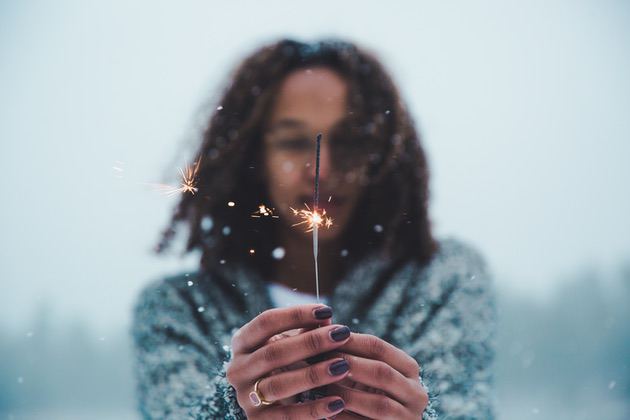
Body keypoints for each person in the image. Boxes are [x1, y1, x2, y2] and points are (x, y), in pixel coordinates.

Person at [132, 38, 496, 419]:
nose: (322, 172)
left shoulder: (443, 279)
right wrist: (229, 411)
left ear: (382, 155)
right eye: (292, 142)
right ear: (253, 157)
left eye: (349, 141)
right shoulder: (180, 309)